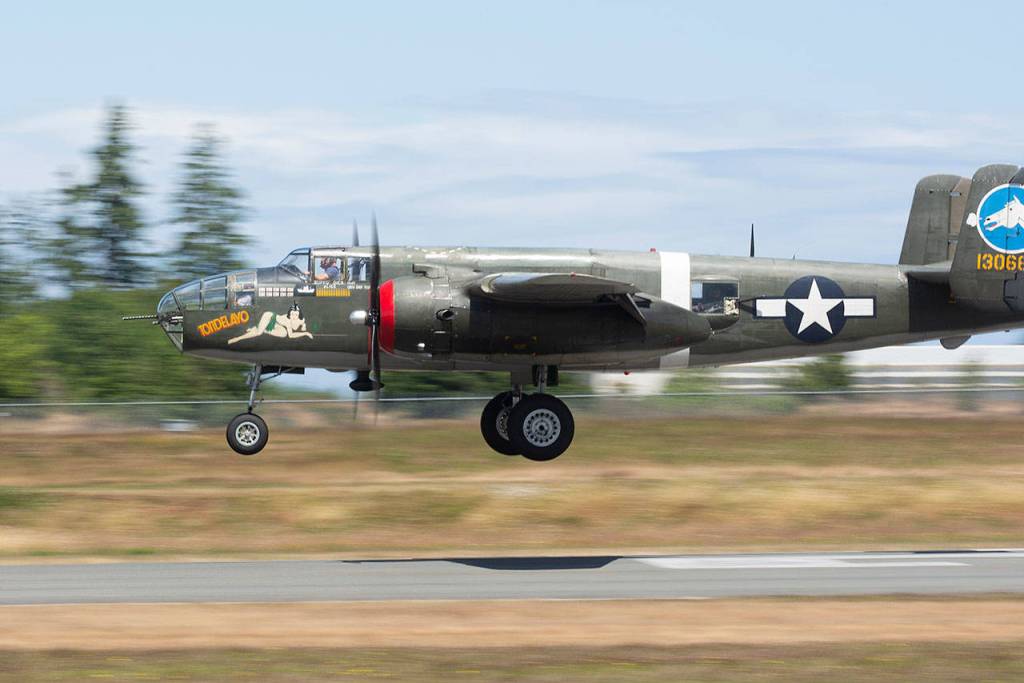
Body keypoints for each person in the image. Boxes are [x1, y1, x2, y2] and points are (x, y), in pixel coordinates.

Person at [228, 303, 313, 344]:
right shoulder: (288, 320)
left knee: (283, 333)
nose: (294, 316)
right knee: (258, 333)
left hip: (275, 324)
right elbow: (291, 335)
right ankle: (237, 338)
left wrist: (304, 329)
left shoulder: (298, 320)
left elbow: (293, 332)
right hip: (269, 317)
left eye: (296, 315)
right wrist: (305, 333)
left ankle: (260, 328)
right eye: (292, 314)